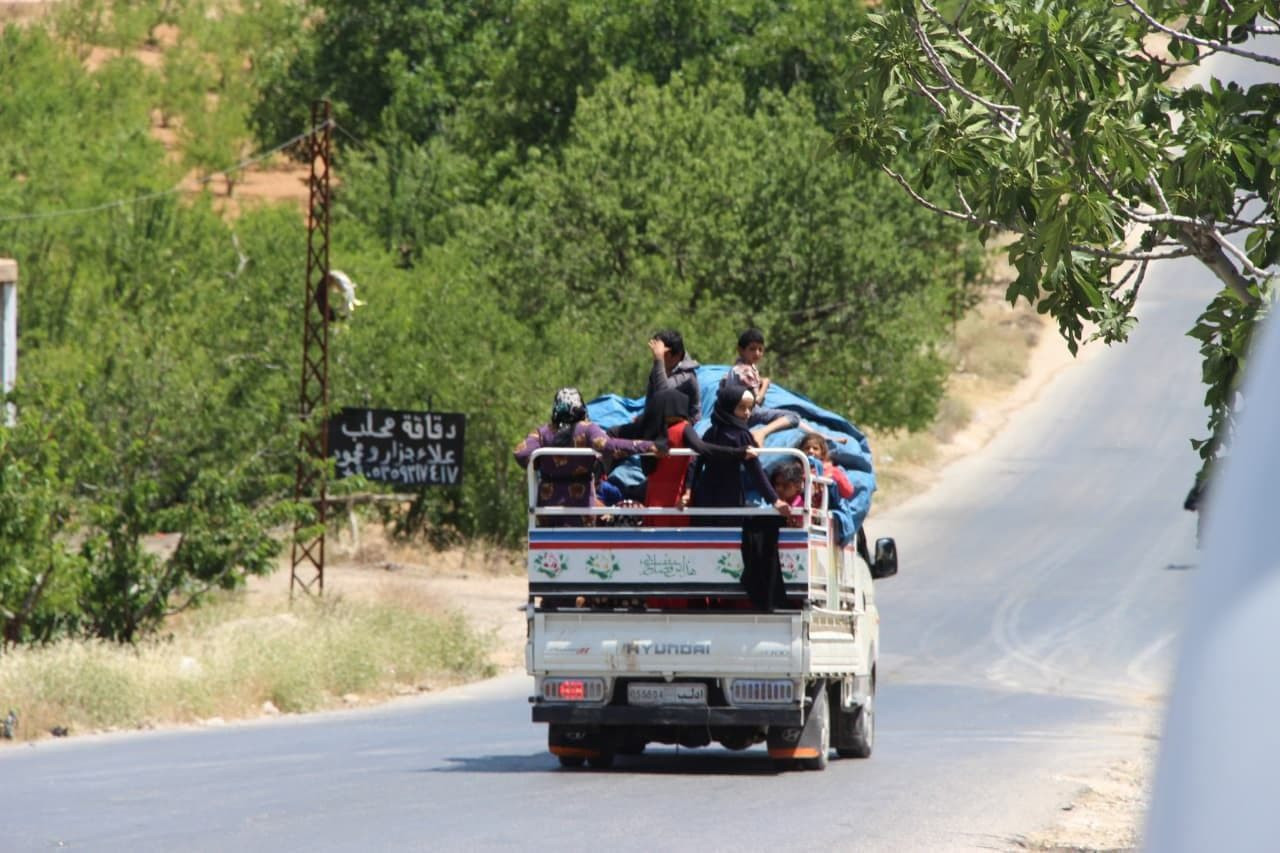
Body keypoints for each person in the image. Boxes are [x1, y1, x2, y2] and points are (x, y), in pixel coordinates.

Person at [514, 388, 660, 526]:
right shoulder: (587, 429)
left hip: (548, 512)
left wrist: (540, 463)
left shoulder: (543, 432)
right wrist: (648, 446)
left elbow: (521, 453)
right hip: (582, 509)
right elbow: (610, 446)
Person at [640, 389, 753, 527]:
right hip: (675, 493)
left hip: (654, 494)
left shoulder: (653, 430)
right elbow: (702, 448)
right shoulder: (683, 428)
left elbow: (646, 468)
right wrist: (737, 452)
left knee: (655, 535)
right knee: (676, 535)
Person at [723, 328, 849, 446]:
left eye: (760, 350)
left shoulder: (737, 368)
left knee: (793, 418)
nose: (757, 353)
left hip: (733, 413)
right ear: (741, 350)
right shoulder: (746, 371)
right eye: (752, 349)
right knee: (793, 417)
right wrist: (765, 384)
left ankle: (820, 436)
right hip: (748, 413)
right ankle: (762, 432)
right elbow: (756, 400)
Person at [687, 383, 790, 525]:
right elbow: (755, 470)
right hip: (729, 496)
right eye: (742, 407)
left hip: (705, 495)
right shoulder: (741, 435)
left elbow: (697, 464)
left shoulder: (711, 432)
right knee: (729, 535)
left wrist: (689, 490)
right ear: (729, 406)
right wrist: (774, 500)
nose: (747, 413)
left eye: (750, 408)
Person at [611, 330, 701, 439]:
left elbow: (662, 394)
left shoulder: (687, 376)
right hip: (658, 423)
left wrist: (659, 359)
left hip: (680, 428)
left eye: (662, 353)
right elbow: (652, 400)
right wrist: (644, 418)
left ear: (673, 355)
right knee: (613, 433)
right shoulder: (661, 367)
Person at [797, 434, 856, 501]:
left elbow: (848, 492)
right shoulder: (796, 469)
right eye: (807, 448)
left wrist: (831, 477)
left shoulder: (832, 471)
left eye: (815, 448)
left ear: (822, 453)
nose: (811, 451)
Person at [769, 460, 806, 528]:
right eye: (777, 484)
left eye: (785, 485)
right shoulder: (772, 504)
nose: (779, 489)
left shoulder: (800, 507)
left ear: (798, 486)